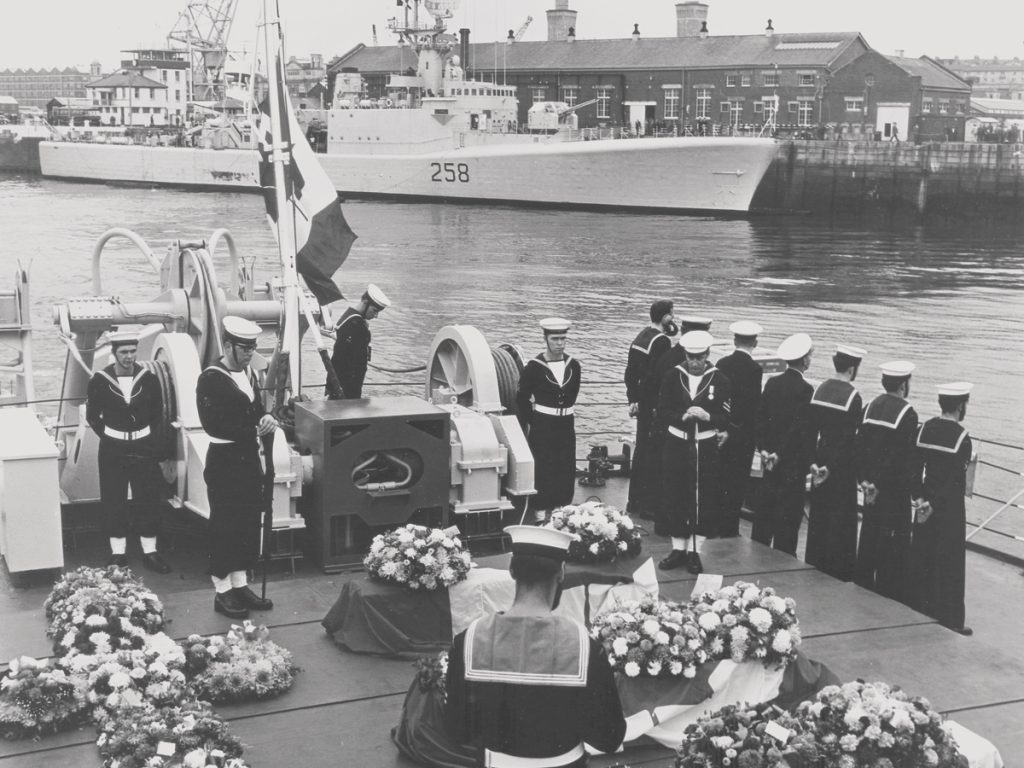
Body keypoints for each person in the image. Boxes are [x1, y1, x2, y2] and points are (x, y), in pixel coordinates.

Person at [445, 525, 626, 768]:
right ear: (561, 572)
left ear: (511, 570)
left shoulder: (468, 640)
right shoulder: (585, 647)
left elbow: (457, 731)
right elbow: (609, 738)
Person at [196, 316, 279, 619]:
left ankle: (240, 584)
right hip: (225, 459)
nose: (249, 354)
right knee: (225, 524)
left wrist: (268, 418)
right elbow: (212, 424)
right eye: (244, 349)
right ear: (228, 346)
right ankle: (222, 591)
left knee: (246, 521)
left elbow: (256, 410)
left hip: (248, 458)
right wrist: (255, 428)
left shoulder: (247, 373)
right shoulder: (211, 378)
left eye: (252, 348)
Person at [85, 330, 172, 572]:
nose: (129, 357)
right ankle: (118, 553)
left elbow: (157, 415)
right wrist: (112, 435)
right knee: (114, 498)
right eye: (124, 352)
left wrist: (151, 443)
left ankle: (150, 552)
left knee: (148, 498)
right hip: (113, 448)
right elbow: (93, 417)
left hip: (143, 446)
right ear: (114, 354)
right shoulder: (100, 381)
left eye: (133, 352)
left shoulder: (149, 379)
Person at [656, 330, 731, 573]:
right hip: (677, 443)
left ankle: (695, 552)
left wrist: (709, 417)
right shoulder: (672, 376)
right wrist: (682, 416)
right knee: (675, 493)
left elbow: (727, 417)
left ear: (708, 355)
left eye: (699, 357)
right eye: (691, 357)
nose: (695, 362)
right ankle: (678, 548)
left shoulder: (720, 380)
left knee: (702, 498)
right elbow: (662, 411)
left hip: (705, 445)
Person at [909, 382, 974, 636]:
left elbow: (914, 469)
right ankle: (951, 619)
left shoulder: (924, 428)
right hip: (948, 510)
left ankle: (919, 606)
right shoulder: (962, 438)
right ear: (960, 405)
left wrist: (921, 499)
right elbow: (955, 482)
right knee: (950, 562)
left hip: (924, 504)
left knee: (922, 554)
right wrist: (935, 504)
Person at [854, 361, 918, 604]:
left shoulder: (870, 407)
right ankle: (889, 589)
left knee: (869, 531)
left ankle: (862, 580)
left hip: (869, 487)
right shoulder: (907, 413)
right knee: (894, 540)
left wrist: (866, 481)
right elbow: (901, 457)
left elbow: (859, 447)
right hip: (892, 489)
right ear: (903, 384)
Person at [803, 344, 866, 581]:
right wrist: (831, 466)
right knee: (841, 515)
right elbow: (849, 439)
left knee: (819, 512)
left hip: (819, 458)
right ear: (852, 368)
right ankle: (839, 567)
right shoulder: (853, 397)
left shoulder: (820, 390)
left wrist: (814, 462)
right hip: (840, 466)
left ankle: (815, 558)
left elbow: (811, 430)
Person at [752, 333, 814, 556]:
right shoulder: (806, 390)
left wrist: (765, 450)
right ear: (805, 359)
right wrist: (780, 454)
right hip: (791, 464)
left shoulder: (772, 383)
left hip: (769, 461)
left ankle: (758, 548)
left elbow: (760, 419)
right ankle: (784, 554)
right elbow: (798, 430)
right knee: (788, 516)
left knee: (766, 509)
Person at [516, 318, 581, 521]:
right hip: (543, 424)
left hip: (566, 424)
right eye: (555, 339)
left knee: (565, 465)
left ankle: (561, 508)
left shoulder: (574, 366)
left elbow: (574, 393)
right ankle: (540, 510)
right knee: (544, 466)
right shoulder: (534, 368)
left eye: (563, 339)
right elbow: (522, 398)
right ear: (546, 339)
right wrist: (531, 421)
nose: (560, 343)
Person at [624, 299, 675, 520]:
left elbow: (630, 373)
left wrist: (633, 399)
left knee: (641, 451)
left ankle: (633, 501)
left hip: (641, 403)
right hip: (653, 405)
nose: (673, 318)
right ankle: (647, 505)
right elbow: (658, 377)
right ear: (665, 317)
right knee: (653, 454)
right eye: (672, 314)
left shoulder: (642, 336)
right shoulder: (662, 341)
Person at [714, 320, 764, 538]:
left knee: (720, 477)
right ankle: (730, 527)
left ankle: (715, 522)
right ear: (755, 342)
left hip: (722, 427)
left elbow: (718, 397)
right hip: (743, 434)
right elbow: (751, 404)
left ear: (734, 340)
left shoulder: (722, 363)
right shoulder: (755, 369)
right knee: (738, 481)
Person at [329, 284, 391, 399]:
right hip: (347, 388)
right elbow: (343, 361)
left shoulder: (350, 317)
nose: (376, 315)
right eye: (375, 310)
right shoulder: (355, 325)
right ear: (365, 302)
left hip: (341, 385)